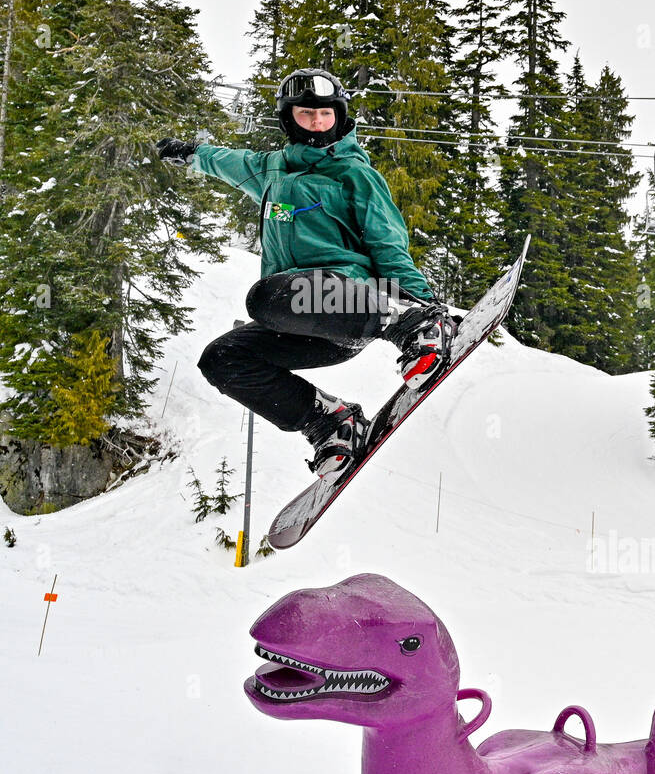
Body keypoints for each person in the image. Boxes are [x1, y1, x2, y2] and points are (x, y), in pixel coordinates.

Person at [156, 69, 456, 477]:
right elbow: (226, 161)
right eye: (306, 114)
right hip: (305, 322)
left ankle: (407, 320)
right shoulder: (270, 171)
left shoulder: (356, 175)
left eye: (326, 114)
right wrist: (191, 153)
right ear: (288, 118)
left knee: (263, 298)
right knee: (222, 359)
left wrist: (420, 305)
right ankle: (330, 422)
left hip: (354, 298)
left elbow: (388, 244)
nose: (317, 123)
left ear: (340, 115)